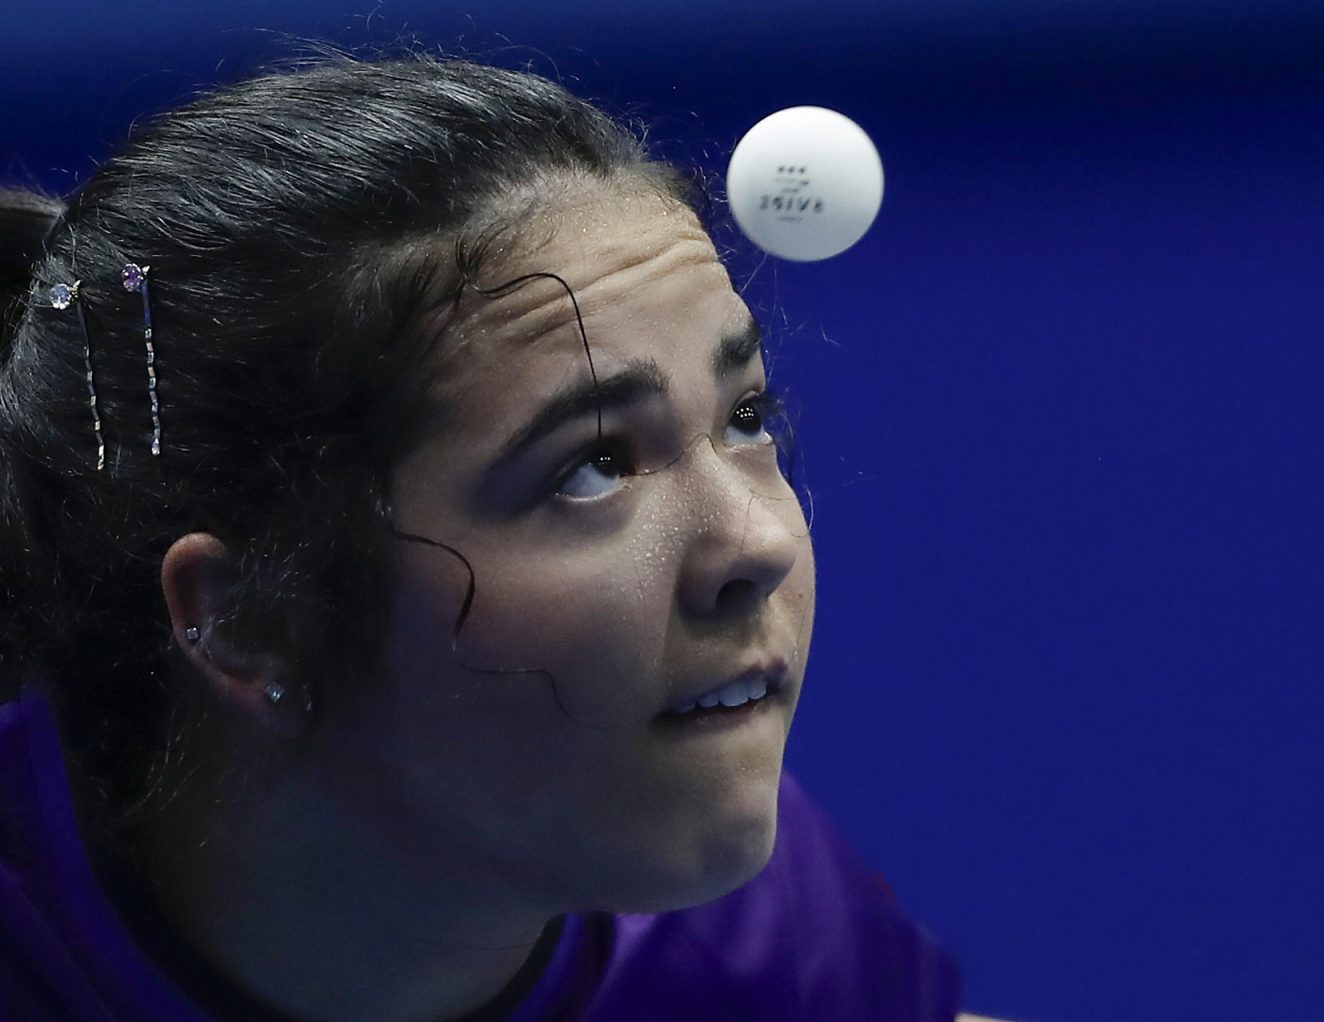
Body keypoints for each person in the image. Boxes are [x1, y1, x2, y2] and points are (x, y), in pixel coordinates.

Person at [0, 54, 965, 1021]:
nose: (759, 544)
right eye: (590, 467)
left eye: (746, 414)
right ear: (251, 622)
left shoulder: (758, 949)